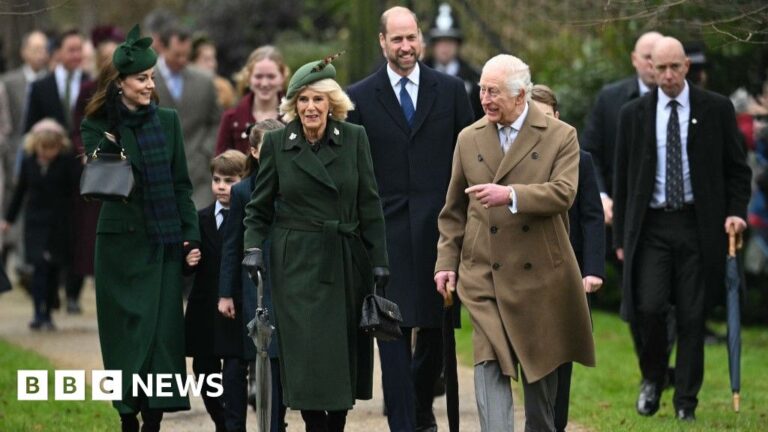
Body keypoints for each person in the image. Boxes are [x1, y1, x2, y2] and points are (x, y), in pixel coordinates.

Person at [434, 54, 595, 431]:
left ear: (521, 96)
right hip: (484, 272)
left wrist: (511, 195)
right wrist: (445, 262)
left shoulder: (561, 135)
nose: (485, 98)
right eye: (482, 90)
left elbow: (564, 193)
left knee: (540, 375)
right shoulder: (469, 137)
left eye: (494, 92)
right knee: (488, 362)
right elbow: (453, 210)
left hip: (541, 274)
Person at [241, 57, 389, 432]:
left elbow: (370, 204)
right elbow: (257, 210)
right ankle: (314, 424)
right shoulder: (277, 143)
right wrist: (253, 248)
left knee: (339, 357)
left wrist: (379, 261)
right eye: (303, 100)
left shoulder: (354, 139)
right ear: (293, 105)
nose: (310, 107)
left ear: (332, 104)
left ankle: (333, 424)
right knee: (306, 356)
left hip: (344, 259)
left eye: (318, 100)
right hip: (296, 265)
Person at [346, 7, 473, 431]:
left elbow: (468, 158)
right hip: (385, 236)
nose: (406, 46)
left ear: (421, 39)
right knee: (392, 333)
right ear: (382, 42)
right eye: (396, 39)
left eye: (411, 38)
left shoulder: (452, 91)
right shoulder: (359, 98)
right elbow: (355, 171)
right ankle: (403, 423)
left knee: (436, 333)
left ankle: (420, 408)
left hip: (442, 234)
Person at [612, 36, 751, 421]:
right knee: (650, 307)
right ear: (650, 69)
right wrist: (621, 237)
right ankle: (654, 378)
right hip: (652, 226)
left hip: (697, 225)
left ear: (687, 66)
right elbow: (623, 180)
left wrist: (736, 212)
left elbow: (738, 170)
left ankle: (686, 403)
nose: (668, 75)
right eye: (661, 68)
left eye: (675, 67)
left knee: (692, 316)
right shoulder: (633, 114)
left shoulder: (716, 109)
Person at [80, 24, 200, 431]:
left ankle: (154, 420)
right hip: (118, 246)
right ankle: (126, 416)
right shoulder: (97, 123)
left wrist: (190, 236)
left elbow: (182, 185)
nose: (150, 85)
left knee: (163, 337)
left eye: (152, 78)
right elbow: (103, 179)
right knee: (123, 336)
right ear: (120, 84)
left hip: (161, 242)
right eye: (142, 79)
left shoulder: (167, 122)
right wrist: (115, 126)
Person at [531, 84, 605, 432]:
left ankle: (555, 425)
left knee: (563, 354)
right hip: (527, 272)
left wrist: (592, 269)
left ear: (558, 118)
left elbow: (591, 215)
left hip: (568, 272)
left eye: (546, 118)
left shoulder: (581, 159)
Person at [219, 118, 286, 431]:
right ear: (255, 151)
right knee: (266, 355)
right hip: (257, 284)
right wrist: (225, 293)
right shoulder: (243, 191)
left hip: (292, 279)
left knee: (286, 358)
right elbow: (232, 245)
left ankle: (279, 420)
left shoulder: (295, 184)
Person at [184, 149, 247, 432]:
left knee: (234, 372)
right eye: (217, 179)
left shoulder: (249, 220)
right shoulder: (200, 218)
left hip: (235, 307)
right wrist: (187, 261)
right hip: (205, 308)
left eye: (230, 180)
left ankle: (234, 425)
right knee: (204, 371)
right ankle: (221, 420)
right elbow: (187, 264)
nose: (222, 187)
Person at [1, 119, 77, 330]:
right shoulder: (28, 162)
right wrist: (8, 219)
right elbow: (20, 192)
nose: (46, 153)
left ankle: (48, 312)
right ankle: (37, 313)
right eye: (43, 147)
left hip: (58, 225)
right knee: (38, 269)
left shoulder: (66, 163)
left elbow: (76, 192)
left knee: (53, 271)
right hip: (35, 224)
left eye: (51, 148)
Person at [153, 25, 222, 208]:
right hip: (156, 173)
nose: (183, 60)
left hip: (198, 175)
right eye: (177, 55)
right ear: (162, 47)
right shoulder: (146, 80)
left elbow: (216, 121)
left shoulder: (205, 81)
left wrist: (206, 151)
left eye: (187, 55)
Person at [215, 46, 288, 155]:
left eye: (271, 76)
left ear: (282, 77)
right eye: (258, 76)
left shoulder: (295, 117)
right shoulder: (231, 119)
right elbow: (220, 165)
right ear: (248, 78)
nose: (264, 83)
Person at [423, 2, 483, 120]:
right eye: (440, 42)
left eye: (449, 41)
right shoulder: (419, 73)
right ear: (433, 45)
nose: (445, 47)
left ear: (457, 44)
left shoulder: (474, 78)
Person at [24, 29, 89, 134]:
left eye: (79, 50)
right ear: (58, 52)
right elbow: (29, 129)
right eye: (71, 50)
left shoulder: (91, 83)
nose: (77, 55)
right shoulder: (40, 87)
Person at [191, 34, 237, 109]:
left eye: (213, 58)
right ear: (193, 62)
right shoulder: (185, 88)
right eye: (206, 59)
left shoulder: (224, 87)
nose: (212, 64)